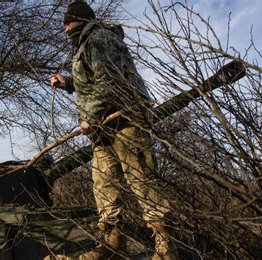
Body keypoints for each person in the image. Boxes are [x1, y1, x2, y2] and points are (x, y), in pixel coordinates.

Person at [50, 1, 178, 259]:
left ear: (80, 20)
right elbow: (93, 81)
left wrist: (89, 117)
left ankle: (165, 247)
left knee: (140, 179)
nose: (64, 29)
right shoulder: (86, 43)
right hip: (104, 128)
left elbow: (110, 82)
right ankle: (112, 244)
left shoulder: (99, 38)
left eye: (67, 22)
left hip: (125, 122)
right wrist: (68, 83)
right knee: (104, 184)